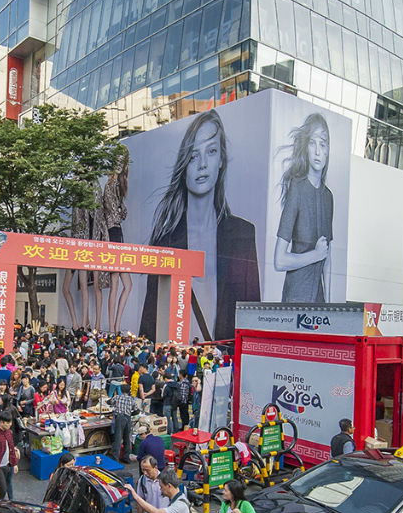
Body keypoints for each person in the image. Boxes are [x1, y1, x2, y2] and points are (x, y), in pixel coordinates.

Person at [139, 109, 261, 342]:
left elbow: (252, 317)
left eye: (211, 151)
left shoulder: (243, 234)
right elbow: (150, 322)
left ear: (222, 159)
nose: (203, 164)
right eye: (194, 156)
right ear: (183, 165)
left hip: (225, 366)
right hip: (178, 360)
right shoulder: (166, 239)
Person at [274, 112, 334, 302]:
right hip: (296, 298)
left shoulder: (328, 197)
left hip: (319, 300)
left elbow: (327, 260)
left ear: (327, 150)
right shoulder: (297, 189)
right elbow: (279, 260)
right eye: (312, 143)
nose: (317, 151)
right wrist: (315, 255)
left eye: (322, 144)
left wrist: (331, 306)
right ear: (305, 147)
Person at [110, 388, 141, 464]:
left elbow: (110, 402)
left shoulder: (117, 397)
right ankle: (126, 458)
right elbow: (137, 410)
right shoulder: (131, 399)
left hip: (120, 418)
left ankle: (115, 459)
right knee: (127, 438)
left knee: (118, 438)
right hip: (128, 418)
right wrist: (130, 414)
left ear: (121, 391)